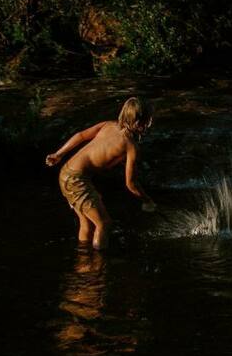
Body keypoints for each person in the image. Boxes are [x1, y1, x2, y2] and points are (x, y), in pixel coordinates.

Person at [45, 97, 157, 250]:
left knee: (87, 223)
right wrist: (147, 200)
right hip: (77, 180)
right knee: (104, 223)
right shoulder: (130, 146)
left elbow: (81, 135)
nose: (150, 124)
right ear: (139, 122)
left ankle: (84, 263)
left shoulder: (108, 125)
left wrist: (58, 154)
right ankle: (99, 264)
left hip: (66, 172)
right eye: (148, 120)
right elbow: (131, 183)